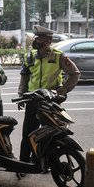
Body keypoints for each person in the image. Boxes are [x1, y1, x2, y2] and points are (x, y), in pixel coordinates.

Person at [18, 25, 81, 163]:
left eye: (39, 38)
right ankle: (23, 163)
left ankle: (43, 162)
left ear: (48, 40)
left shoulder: (59, 56)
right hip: (32, 101)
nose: (36, 40)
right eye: (35, 37)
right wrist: (22, 95)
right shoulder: (30, 56)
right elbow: (24, 76)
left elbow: (75, 74)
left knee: (48, 133)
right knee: (28, 133)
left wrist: (61, 91)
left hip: (50, 103)